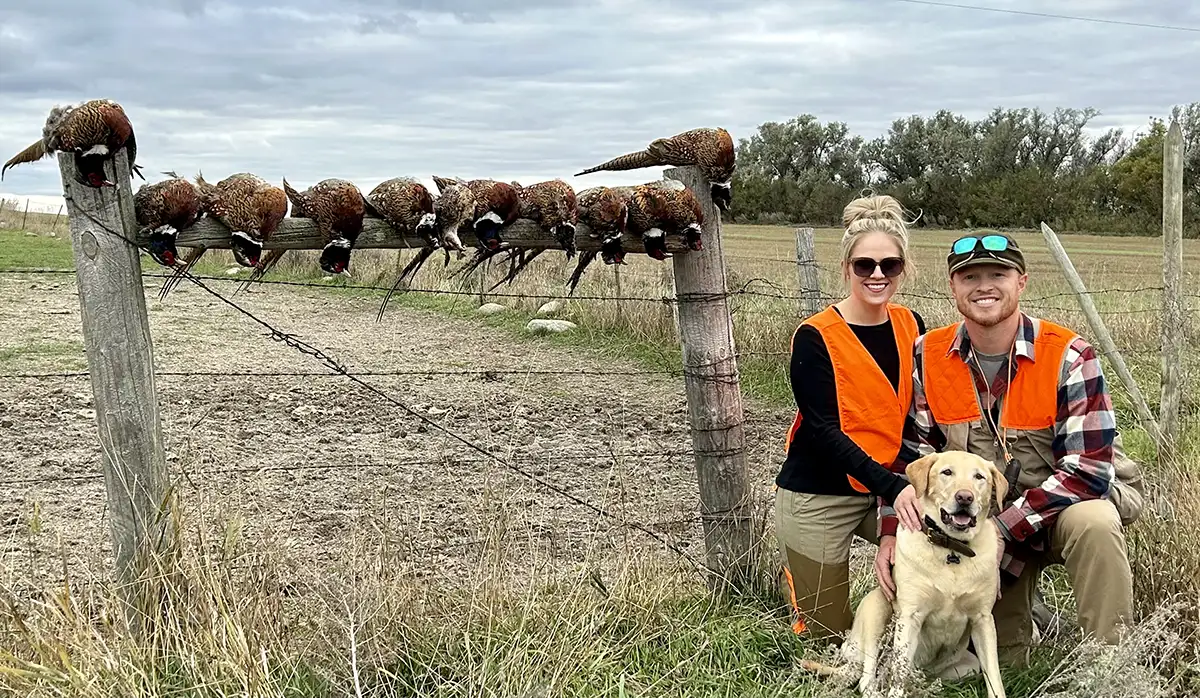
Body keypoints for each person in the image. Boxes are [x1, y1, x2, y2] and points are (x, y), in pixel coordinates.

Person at [876, 232, 1145, 666]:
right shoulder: (928, 355)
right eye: (970, 276)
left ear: (1021, 281)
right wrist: (892, 529)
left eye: (997, 274)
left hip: (1057, 513)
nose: (983, 286)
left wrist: (1002, 530)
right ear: (953, 287)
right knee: (1002, 661)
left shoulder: (1069, 356)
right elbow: (912, 458)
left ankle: (1112, 671)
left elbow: (1089, 472)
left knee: (1095, 521)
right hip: (977, 525)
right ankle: (1031, 622)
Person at [775, 193, 927, 641]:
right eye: (865, 265)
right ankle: (807, 597)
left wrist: (893, 518)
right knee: (828, 637)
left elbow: (916, 419)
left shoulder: (911, 325)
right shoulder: (814, 336)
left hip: (885, 489)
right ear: (846, 269)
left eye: (889, 265)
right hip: (818, 494)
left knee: (945, 553)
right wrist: (896, 492)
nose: (877, 275)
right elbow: (822, 432)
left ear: (903, 269)